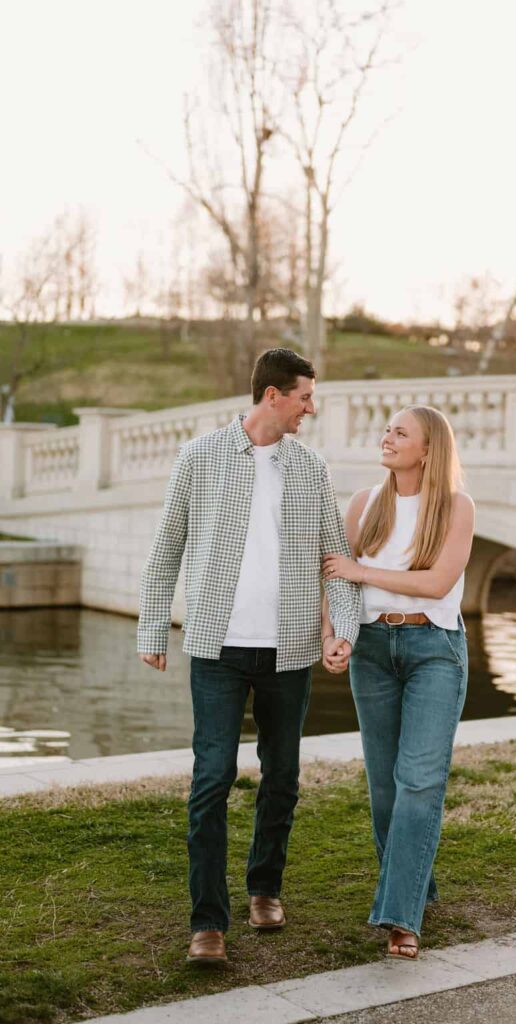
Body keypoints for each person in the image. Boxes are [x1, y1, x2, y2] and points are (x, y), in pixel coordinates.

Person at [137, 348, 360, 966]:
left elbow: (336, 559)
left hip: (289, 650)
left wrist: (342, 630)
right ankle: (208, 922)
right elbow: (167, 548)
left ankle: (265, 888)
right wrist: (152, 628)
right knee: (212, 778)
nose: (311, 408)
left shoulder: (310, 468)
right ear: (272, 395)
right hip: (217, 649)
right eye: (305, 397)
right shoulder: (200, 457)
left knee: (281, 778)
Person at [322, 405, 474, 961]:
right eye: (387, 429)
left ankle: (401, 918)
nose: (387, 437)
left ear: (428, 450)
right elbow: (335, 580)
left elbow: (437, 584)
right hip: (371, 651)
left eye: (400, 432)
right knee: (384, 786)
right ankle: (415, 886)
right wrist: (333, 634)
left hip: (435, 650)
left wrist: (362, 572)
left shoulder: (457, 507)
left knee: (419, 782)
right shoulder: (364, 504)